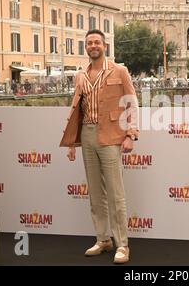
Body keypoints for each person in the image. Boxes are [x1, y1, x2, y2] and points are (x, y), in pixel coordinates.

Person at [59, 29, 139, 264]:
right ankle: (103, 239)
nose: (93, 45)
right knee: (95, 193)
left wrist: (131, 135)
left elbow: (132, 103)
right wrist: (73, 142)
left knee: (116, 193)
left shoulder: (119, 71)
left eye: (97, 42)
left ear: (105, 46)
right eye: (89, 43)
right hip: (87, 134)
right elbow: (77, 109)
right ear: (86, 47)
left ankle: (122, 244)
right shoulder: (81, 75)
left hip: (112, 136)